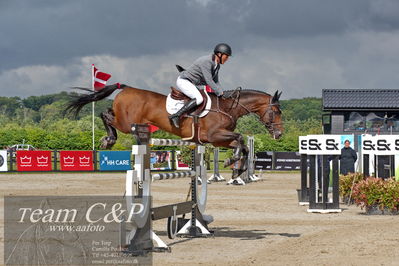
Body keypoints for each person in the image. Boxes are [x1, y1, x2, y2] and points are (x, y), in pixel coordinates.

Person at [168, 43, 232, 128]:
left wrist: (222, 92)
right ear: (219, 54)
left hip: (191, 83)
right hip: (184, 81)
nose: (227, 59)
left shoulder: (217, 65)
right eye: (226, 56)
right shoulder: (207, 61)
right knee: (199, 99)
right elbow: (209, 80)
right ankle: (176, 116)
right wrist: (219, 93)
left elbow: (216, 81)